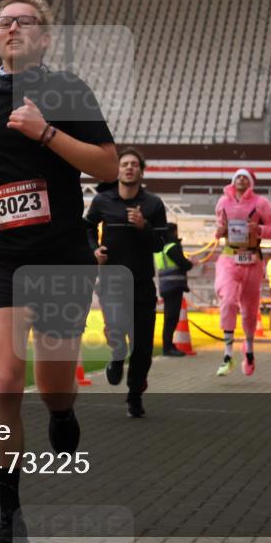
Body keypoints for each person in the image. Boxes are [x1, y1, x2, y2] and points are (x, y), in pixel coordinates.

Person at [0, 0, 117, 543]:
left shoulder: (68, 91)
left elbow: (107, 166)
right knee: (3, 382)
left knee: (53, 384)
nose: (13, 29)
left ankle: (63, 415)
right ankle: (9, 517)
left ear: (44, 38)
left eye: (25, 22)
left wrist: (45, 131)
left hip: (62, 255)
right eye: (4, 23)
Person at [85, 147, 168, 417]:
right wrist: (94, 249)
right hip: (111, 282)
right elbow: (86, 227)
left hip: (142, 283)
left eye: (134, 164)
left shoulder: (153, 205)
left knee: (143, 349)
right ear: (118, 170)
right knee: (118, 331)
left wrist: (144, 226)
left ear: (141, 172)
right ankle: (117, 356)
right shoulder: (102, 201)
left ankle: (134, 396)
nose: (129, 168)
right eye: (125, 164)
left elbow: (160, 245)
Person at [213, 169, 271, 377]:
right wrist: (220, 231)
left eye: (245, 177)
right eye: (238, 176)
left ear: (251, 182)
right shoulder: (222, 202)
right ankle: (227, 354)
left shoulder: (261, 203)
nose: (241, 179)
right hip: (229, 257)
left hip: (253, 259)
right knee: (228, 300)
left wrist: (258, 229)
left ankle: (249, 348)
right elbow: (219, 226)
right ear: (233, 181)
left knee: (250, 308)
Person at [155, 222, 194, 356]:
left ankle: (168, 346)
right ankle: (168, 347)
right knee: (171, 318)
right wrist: (190, 262)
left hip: (166, 286)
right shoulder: (172, 247)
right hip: (174, 286)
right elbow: (184, 265)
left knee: (169, 318)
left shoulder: (161, 248)